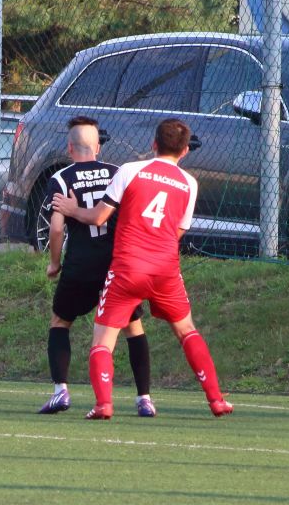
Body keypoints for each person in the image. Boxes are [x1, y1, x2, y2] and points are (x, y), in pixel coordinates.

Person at [52, 118, 232, 419]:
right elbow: (177, 231)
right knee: (187, 330)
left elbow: (99, 217)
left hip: (128, 268)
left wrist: (73, 209)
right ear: (185, 151)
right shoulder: (190, 183)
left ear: (153, 144)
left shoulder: (130, 171)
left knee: (103, 340)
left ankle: (104, 404)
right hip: (165, 269)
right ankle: (216, 400)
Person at [38, 117, 154, 415]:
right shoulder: (117, 173)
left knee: (60, 321)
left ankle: (61, 391)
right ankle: (144, 398)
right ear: (98, 147)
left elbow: (56, 228)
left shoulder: (61, 178)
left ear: (69, 147)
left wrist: (54, 264)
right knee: (132, 327)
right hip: (116, 266)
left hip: (80, 265)